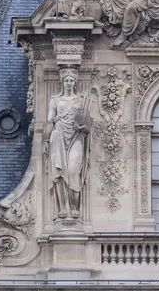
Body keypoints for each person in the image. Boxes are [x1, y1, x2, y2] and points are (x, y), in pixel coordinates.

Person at [44, 68, 90, 219]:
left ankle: (74, 206)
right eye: (66, 80)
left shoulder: (81, 100)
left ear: (75, 82)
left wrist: (82, 128)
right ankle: (62, 208)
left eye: (71, 80)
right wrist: (46, 138)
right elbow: (50, 120)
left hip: (76, 136)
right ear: (62, 82)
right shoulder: (55, 101)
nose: (69, 83)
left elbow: (88, 124)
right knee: (59, 173)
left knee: (72, 170)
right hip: (58, 137)